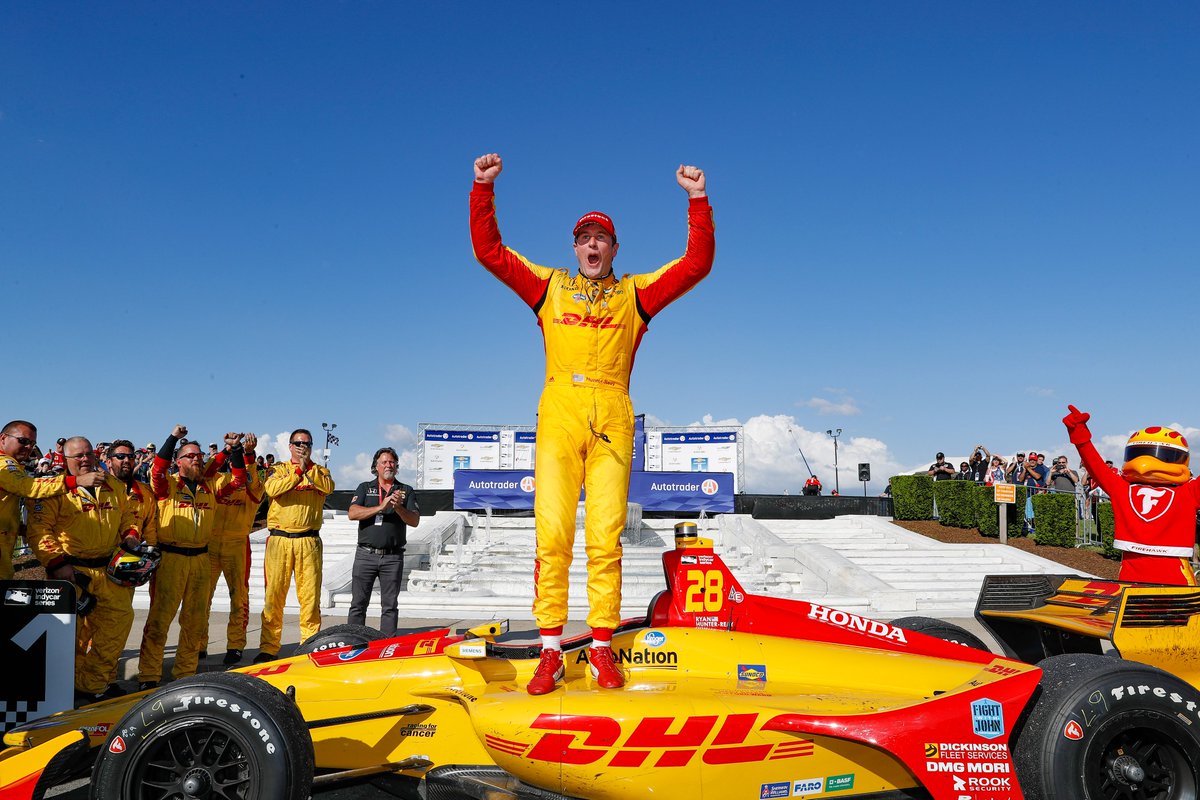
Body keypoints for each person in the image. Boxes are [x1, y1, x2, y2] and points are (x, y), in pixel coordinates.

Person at [470, 152, 714, 694]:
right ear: (575, 247)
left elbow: (696, 265)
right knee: (551, 534)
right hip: (559, 412)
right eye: (585, 238)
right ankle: (551, 651)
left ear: (614, 248)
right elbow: (489, 252)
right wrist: (482, 189)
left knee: (606, 537)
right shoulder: (549, 287)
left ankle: (601, 646)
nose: (593, 246)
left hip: (614, 412)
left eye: (602, 238)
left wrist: (698, 201)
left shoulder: (635, 294)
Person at [27, 437, 143, 705]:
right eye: (78, 455)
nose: (85, 459)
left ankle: (94, 685)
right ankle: (69, 688)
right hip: (71, 573)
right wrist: (57, 564)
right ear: (66, 460)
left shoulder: (111, 484)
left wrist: (130, 534)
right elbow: (38, 531)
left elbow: (129, 515)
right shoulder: (54, 489)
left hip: (110, 571)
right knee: (73, 638)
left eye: (89, 454)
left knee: (116, 627)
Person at [137, 427, 246, 689]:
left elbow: (239, 479)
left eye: (199, 455)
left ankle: (185, 673)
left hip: (200, 559)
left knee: (195, 620)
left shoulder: (211, 488)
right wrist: (173, 438)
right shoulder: (167, 486)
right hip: (172, 558)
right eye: (190, 455)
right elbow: (157, 469)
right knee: (160, 619)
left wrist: (236, 450)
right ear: (179, 461)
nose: (197, 458)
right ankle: (149, 676)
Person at [1064, 405, 1199, 585]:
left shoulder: (1188, 491)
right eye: (1139, 453)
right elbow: (1095, 465)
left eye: (1164, 455)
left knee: (1178, 614)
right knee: (1132, 613)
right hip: (1133, 572)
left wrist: (1081, 437)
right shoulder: (1121, 487)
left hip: (1171, 574)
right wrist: (1080, 436)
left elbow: (1096, 467)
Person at [256, 429, 335, 662]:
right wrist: (298, 471)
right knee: (274, 596)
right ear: (290, 446)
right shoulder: (279, 470)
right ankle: (269, 647)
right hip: (279, 540)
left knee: (310, 597)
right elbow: (271, 489)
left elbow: (328, 487)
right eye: (298, 443)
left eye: (307, 443)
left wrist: (307, 468)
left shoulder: (320, 471)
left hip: (308, 541)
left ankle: (309, 645)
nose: (303, 447)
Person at [1, 420, 106, 579]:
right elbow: (26, 486)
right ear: (3, 439)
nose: (28, 447)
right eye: (23, 441)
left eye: (32, 443)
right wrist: (76, 481)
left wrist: (16, 526)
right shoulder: (4, 464)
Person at [203, 433, 263, 665]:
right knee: (201, 599)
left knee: (239, 598)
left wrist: (245, 452)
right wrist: (228, 449)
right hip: (210, 543)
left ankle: (236, 645)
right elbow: (207, 471)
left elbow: (251, 477)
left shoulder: (254, 487)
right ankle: (199, 644)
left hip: (237, 544)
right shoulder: (216, 480)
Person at [346, 447, 419, 636]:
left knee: (390, 605)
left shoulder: (406, 490)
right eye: (384, 462)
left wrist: (398, 508)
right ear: (376, 466)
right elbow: (352, 513)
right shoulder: (365, 487)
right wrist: (381, 506)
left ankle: (387, 645)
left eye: (392, 462)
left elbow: (414, 521)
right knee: (358, 604)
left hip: (392, 556)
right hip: (365, 555)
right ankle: (354, 641)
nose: (389, 465)